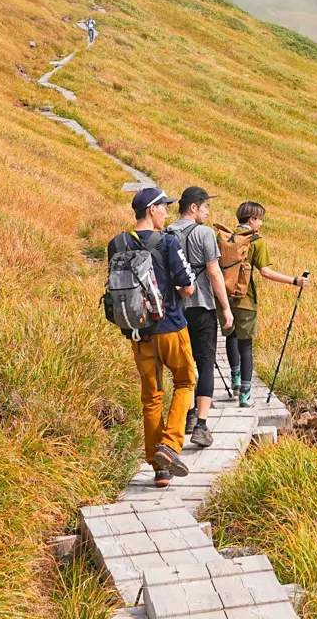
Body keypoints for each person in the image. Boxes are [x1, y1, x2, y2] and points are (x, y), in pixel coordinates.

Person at [108, 186, 196, 486]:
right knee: (185, 382)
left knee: (152, 397)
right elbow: (187, 287)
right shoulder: (168, 242)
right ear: (151, 210)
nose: (167, 212)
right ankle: (170, 446)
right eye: (164, 207)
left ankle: (159, 469)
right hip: (171, 326)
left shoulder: (116, 244)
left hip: (137, 332)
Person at [220, 200, 309, 407]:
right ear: (251, 220)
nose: (261, 224)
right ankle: (245, 395)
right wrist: (294, 281)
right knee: (246, 346)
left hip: (224, 298)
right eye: (260, 220)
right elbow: (266, 272)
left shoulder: (225, 236)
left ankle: (234, 383)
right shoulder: (256, 241)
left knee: (231, 337)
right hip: (246, 300)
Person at [167, 186, 234, 447]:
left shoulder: (167, 233)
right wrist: (225, 308)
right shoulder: (205, 233)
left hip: (175, 310)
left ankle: (188, 415)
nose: (208, 212)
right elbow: (215, 273)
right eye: (205, 206)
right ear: (193, 208)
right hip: (203, 306)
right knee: (205, 363)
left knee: (184, 365)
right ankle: (202, 426)